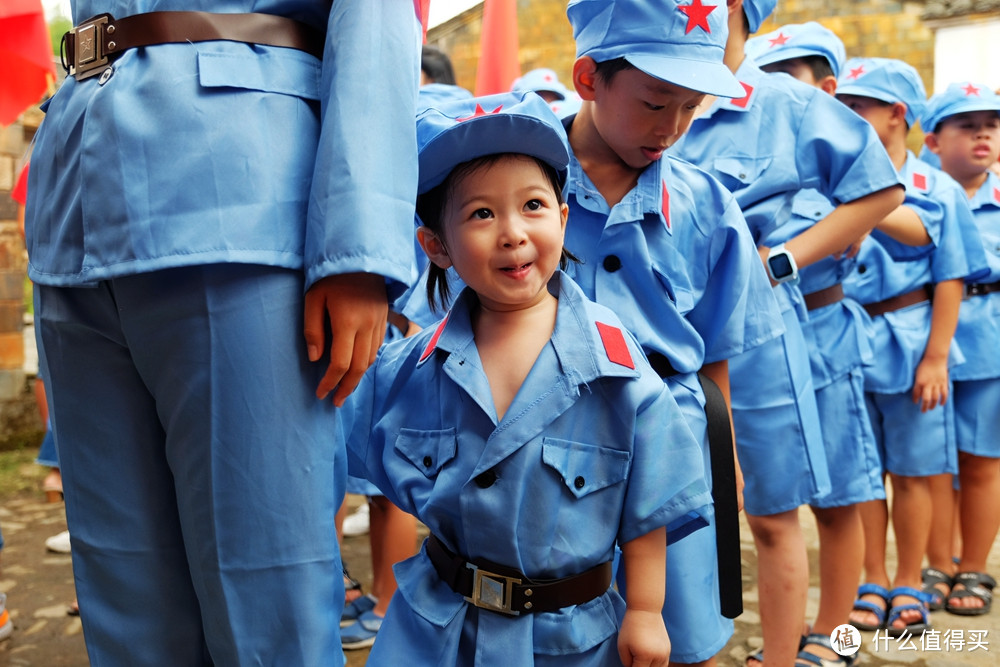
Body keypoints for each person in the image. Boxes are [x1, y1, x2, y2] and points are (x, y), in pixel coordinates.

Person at [24, 2, 421, 664]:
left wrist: (358, 247)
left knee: (266, 594)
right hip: (78, 198)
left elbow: (374, 20)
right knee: (124, 588)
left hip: (241, 195)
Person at [344, 90, 711, 666]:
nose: (513, 232)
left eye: (533, 206)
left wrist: (644, 610)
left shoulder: (614, 368)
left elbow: (653, 501)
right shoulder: (409, 370)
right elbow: (321, 449)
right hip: (439, 633)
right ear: (435, 246)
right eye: (481, 213)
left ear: (563, 219)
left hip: (570, 641)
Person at [670, 3, 905, 665]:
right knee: (671, 506)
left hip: (759, 332)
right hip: (664, 327)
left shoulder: (786, 103)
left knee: (774, 506)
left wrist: (784, 258)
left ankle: (798, 649)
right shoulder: (648, 88)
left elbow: (880, 190)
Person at [562, 1, 785, 665]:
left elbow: (713, 353)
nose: (674, 128)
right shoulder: (515, 176)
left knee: (683, 636)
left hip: (674, 445)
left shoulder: (707, 204)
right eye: (657, 102)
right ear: (589, 78)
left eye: (691, 107)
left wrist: (726, 462)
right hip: (544, 446)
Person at [834, 59, 985, 637]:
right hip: (849, 338)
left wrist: (938, 357)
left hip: (914, 336)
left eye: (858, 108)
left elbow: (951, 277)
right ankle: (870, 578)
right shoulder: (834, 178)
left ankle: (908, 579)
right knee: (863, 472)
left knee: (917, 472)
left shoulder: (936, 188)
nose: (845, 119)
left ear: (897, 115)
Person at [920, 82, 1000, 617]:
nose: (982, 134)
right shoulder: (913, 195)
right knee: (930, 462)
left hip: (991, 341)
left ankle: (973, 565)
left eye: (991, 125)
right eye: (966, 125)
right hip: (925, 339)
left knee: (982, 461)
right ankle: (934, 564)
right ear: (931, 139)